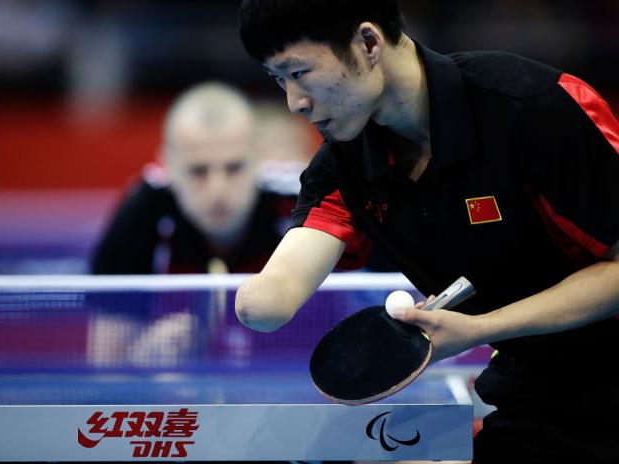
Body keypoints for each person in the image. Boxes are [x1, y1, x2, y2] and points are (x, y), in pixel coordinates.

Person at [234, 1, 619, 463]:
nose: (294, 102)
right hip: (538, 400)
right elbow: (278, 290)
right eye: (279, 80)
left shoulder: (530, 108)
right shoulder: (347, 163)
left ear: (369, 43)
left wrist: (479, 329)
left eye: (299, 73)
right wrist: (257, 305)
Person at [91, 82, 298, 274]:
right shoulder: (141, 209)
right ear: (168, 165)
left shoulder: (302, 198)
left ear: (259, 159)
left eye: (234, 168)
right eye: (198, 170)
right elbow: (108, 312)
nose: (218, 189)